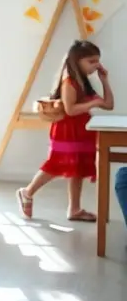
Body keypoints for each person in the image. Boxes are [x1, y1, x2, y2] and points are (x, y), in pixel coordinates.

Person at [17, 40, 113, 221]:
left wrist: (104, 81)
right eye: (91, 61)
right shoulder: (69, 81)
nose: (96, 65)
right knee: (56, 165)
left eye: (97, 61)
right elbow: (70, 110)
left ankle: (74, 209)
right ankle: (27, 192)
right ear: (78, 61)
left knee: (78, 168)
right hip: (67, 130)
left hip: (82, 129)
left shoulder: (84, 82)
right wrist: (93, 103)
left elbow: (108, 104)